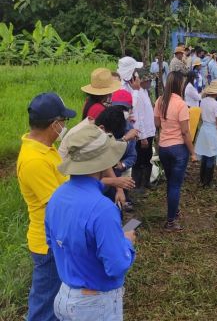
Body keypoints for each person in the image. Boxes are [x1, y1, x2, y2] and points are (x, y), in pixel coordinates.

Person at [45, 125, 135, 321]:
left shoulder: (57, 196)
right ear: (102, 162)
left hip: (64, 296)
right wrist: (126, 242)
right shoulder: (103, 208)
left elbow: (52, 243)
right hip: (94, 305)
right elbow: (117, 265)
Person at [17, 92, 76, 321]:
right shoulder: (34, 160)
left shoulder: (44, 148)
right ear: (54, 124)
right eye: (64, 122)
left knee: (55, 299)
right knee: (44, 306)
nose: (64, 127)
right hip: (49, 243)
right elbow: (58, 205)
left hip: (56, 238)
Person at [154, 71, 197, 232]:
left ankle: (174, 210)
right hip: (178, 149)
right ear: (179, 84)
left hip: (164, 148)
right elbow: (186, 132)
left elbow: (157, 123)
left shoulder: (160, 101)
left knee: (171, 182)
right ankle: (171, 222)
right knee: (175, 185)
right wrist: (192, 152)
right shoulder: (181, 104)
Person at [195, 80, 217, 189]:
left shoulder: (202, 101)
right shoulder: (216, 104)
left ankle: (202, 179)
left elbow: (200, 116)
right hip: (211, 129)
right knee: (211, 155)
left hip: (204, 129)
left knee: (204, 154)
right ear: (216, 93)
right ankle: (208, 182)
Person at [131, 68, 156, 194]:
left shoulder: (145, 92)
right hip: (143, 133)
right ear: (142, 81)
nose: (150, 82)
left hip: (149, 131)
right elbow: (138, 117)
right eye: (148, 79)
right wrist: (143, 137)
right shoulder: (138, 94)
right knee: (139, 159)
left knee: (148, 158)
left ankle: (146, 182)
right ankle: (137, 185)